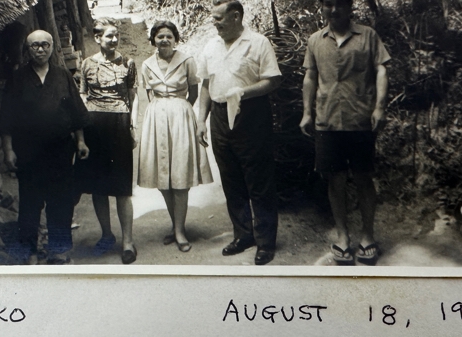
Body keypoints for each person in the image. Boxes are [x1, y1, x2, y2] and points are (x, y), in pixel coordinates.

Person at [299, 0, 389, 265]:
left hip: (360, 120)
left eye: (339, 4)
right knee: (335, 180)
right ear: (322, 7)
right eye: (328, 4)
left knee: (363, 178)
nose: (334, 10)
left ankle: (368, 236)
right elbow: (310, 77)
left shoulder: (368, 36)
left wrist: (380, 107)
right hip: (327, 121)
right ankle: (342, 237)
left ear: (350, 7)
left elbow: (382, 69)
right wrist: (307, 113)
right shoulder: (315, 40)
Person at [196, 1, 282, 265]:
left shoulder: (258, 43)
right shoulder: (211, 47)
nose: (215, 23)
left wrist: (244, 92)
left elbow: (273, 80)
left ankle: (266, 242)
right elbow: (205, 85)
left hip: (251, 113)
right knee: (231, 178)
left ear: (236, 16)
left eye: (219, 18)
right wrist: (201, 120)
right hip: (220, 116)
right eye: (213, 18)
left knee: (259, 179)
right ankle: (244, 234)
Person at [0, 30, 89, 264]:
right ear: (28, 50)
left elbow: (76, 112)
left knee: (60, 202)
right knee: (30, 202)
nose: (40, 49)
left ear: (51, 47)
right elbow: (6, 116)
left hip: (59, 151)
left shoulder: (62, 76)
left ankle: (59, 250)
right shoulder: (18, 79)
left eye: (45, 45)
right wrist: (8, 149)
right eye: (35, 46)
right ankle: (29, 251)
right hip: (28, 152)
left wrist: (80, 141)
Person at [137, 20, 213, 253]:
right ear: (153, 40)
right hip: (156, 116)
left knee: (179, 175)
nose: (164, 40)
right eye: (160, 36)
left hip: (181, 115)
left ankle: (179, 231)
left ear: (175, 39)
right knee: (162, 176)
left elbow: (193, 91)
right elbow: (145, 95)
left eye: (169, 36)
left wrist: (181, 110)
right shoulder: (147, 64)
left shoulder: (187, 61)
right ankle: (176, 225)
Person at [75, 18, 139, 264]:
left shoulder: (128, 64)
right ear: (97, 38)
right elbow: (83, 93)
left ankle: (128, 241)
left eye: (116, 36)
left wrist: (132, 126)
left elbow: (133, 97)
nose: (114, 40)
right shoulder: (87, 64)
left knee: (122, 187)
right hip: (94, 126)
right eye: (109, 36)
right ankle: (106, 235)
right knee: (99, 186)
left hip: (119, 124)